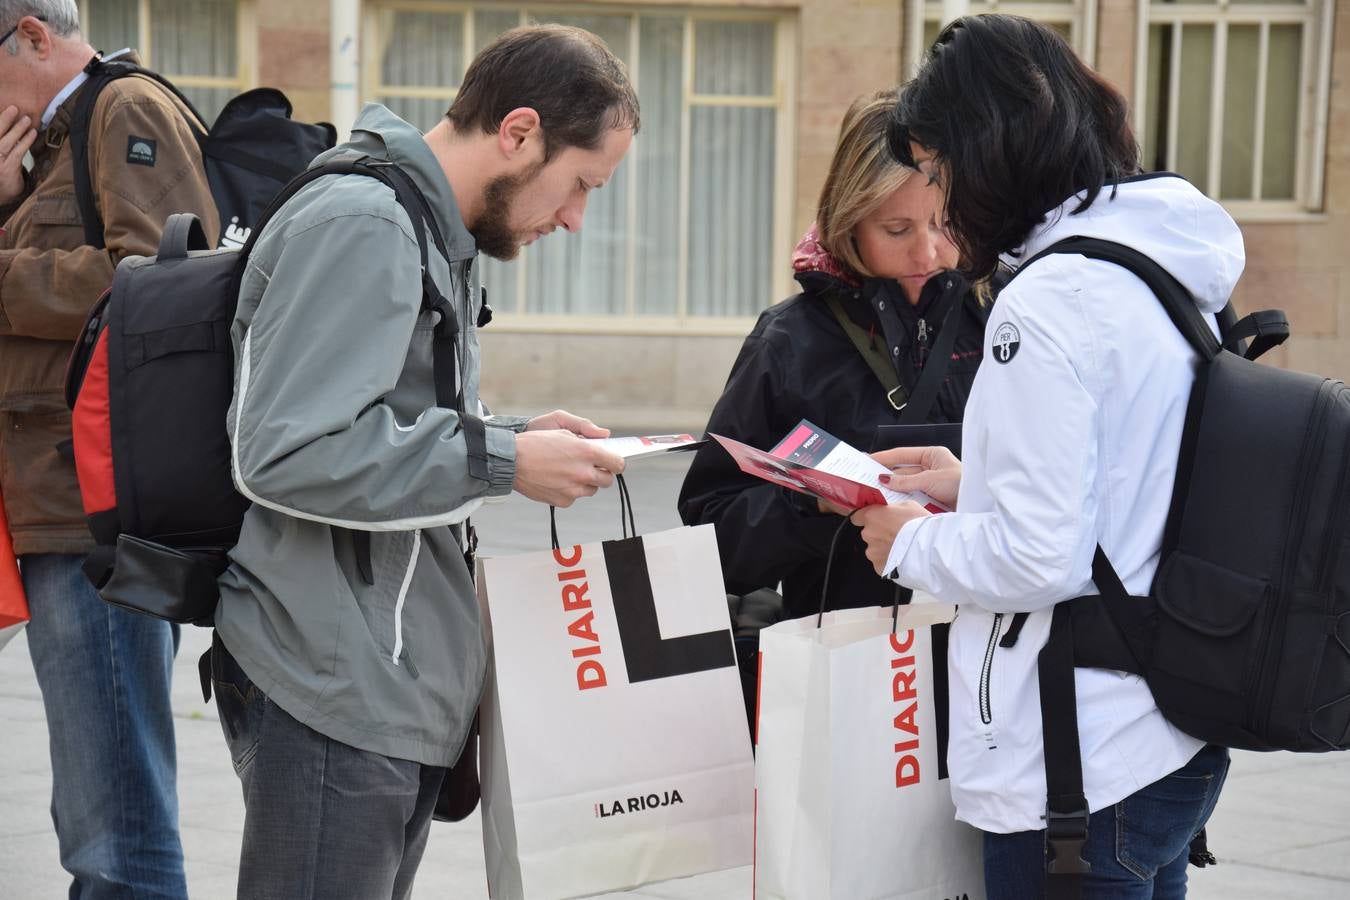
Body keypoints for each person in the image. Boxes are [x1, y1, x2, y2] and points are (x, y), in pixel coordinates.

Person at [208, 24, 637, 899]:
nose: (574, 217)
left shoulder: (426, 224)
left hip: (381, 676)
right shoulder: (366, 221)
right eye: (580, 184)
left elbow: (387, 420)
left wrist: (514, 436)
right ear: (518, 133)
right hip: (333, 674)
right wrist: (505, 460)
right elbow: (286, 451)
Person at [852, 15, 1238, 898]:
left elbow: (1038, 554)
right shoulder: (1156, 267)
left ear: (989, 154)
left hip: (1077, 760)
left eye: (939, 172)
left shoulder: (1051, 300)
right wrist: (976, 483)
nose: (940, 205)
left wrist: (908, 543)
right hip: (1165, 721)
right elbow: (1134, 476)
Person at [0, 2, 218, 895]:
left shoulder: (123, 108)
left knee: (115, 827)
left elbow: (165, 278)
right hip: (49, 509)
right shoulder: (50, 144)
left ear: (33, 36)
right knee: (97, 814)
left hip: (92, 513)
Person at [678, 88, 992, 622]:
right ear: (849, 221)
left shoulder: (1005, 320)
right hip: (845, 671)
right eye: (897, 229)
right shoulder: (789, 340)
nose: (928, 252)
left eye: (945, 223)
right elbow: (713, 540)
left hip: (998, 673)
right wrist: (815, 501)